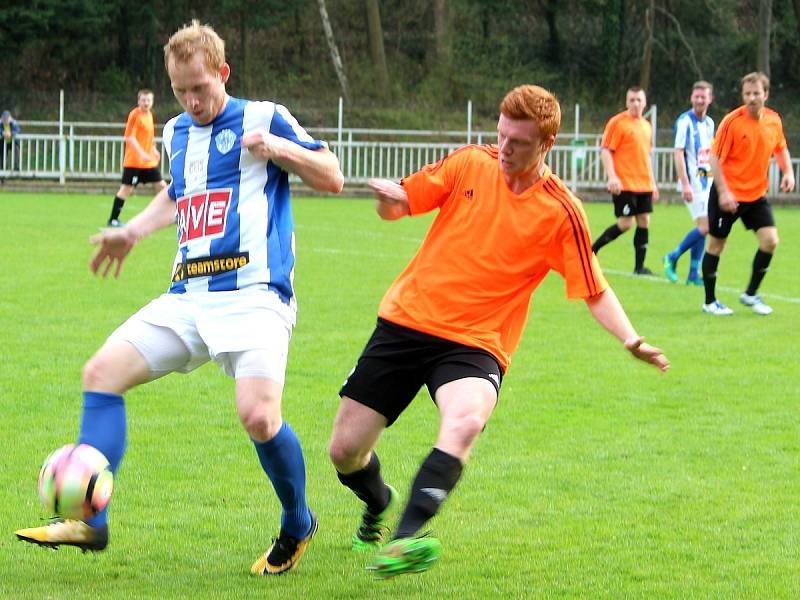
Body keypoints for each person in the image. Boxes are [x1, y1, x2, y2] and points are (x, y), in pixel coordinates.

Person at [15, 20, 344, 576]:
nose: (192, 101)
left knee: (259, 417)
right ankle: (90, 523)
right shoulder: (176, 131)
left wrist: (281, 148)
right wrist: (133, 231)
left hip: (256, 293)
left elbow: (333, 176)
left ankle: (296, 522)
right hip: (189, 296)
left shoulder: (265, 117)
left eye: (201, 87)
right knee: (100, 373)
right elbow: (177, 191)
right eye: (180, 90)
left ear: (224, 72)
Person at [327, 84, 669, 580]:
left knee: (465, 421)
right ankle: (378, 501)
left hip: (476, 342)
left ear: (546, 145)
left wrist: (631, 339)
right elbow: (404, 203)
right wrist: (389, 200)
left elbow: (593, 288)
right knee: (345, 452)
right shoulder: (470, 162)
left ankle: (402, 541)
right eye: (502, 135)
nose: (504, 149)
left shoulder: (561, 210)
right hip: (407, 321)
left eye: (519, 143)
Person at [701, 72, 794, 316]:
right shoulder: (732, 121)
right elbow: (714, 158)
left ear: (766, 94)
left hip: (755, 195)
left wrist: (788, 173)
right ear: (743, 95)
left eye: (756, 93)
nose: (752, 98)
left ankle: (750, 294)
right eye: (747, 94)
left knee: (770, 241)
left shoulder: (774, 120)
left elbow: (781, 148)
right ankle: (710, 302)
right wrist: (723, 192)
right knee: (716, 244)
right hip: (728, 193)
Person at [591, 87, 660, 275]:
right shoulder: (618, 122)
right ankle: (592, 251)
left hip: (644, 183)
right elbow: (606, 150)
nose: (636, 104)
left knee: (644, 220)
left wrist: (653, 183)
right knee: (625, 224)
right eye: (632, 100)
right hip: (625, 183)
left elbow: (646, 156)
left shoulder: (646, 126)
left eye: (639, 100)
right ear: (626, 102)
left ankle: (639, 267)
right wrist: (612, 177)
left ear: (645, 102)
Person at [663, 81, 715, 286]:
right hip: (692, 183)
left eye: (704, 96)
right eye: (697, 96)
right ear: (691, 98)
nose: (700, 100)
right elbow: (679, 153)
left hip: (707, 181)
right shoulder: (685, 121)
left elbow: (709, 155)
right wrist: (685, 184)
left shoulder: (710, 123)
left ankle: (693, 274)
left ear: (710, 99)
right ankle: (672, 257)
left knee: (702, 227)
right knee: (706, 226)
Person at [106, 89, 167, 227]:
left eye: (149, 100)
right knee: (126, 189)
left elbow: (148, 137)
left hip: (148, 163)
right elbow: (130, 137)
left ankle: (168, 214)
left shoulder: (150, 115)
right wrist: (141, 153)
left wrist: (153, 150)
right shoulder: (135, 115)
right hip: (134, 162)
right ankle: (113, 219)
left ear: (152, 102)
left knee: (162, 186)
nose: (146, 103)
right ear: (138, 101)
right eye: (143, 100)